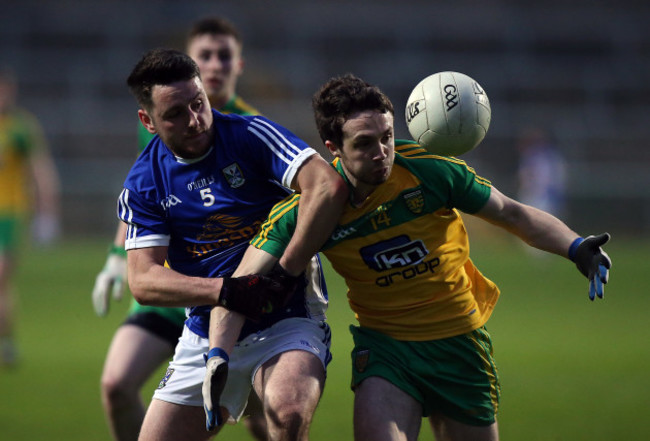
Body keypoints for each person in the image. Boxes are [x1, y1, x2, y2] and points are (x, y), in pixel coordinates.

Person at [207, 73, 612, 441]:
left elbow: (512, 213)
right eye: (364, 143)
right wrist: (217, 355)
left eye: (386, 136)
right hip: (387, 351)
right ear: (333, 148)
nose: (382, 151)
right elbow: (242, 282)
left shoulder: (430, 171)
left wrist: (576, 247)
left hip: (460, 343)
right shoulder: (311, 207)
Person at [120, 48, 347, 441]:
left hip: (286, 315)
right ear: (148, 120)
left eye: (198, 104)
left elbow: (325, 184)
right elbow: (143, 281)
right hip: (206, 331)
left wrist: (283, 271)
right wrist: (227, 291)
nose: (194, 121)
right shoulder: (143, 182)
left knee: (288, 413)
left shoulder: (249, 134)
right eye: (175, 114)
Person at [91, 17, 267, 441]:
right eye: (204, 55)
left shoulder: (251, 130)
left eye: (224, 55)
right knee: (115, 385)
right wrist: (118, 258)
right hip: (172, 292)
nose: (214, 63)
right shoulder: (160, 118)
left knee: (264, 416)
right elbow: (144, 196)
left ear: (238, 65)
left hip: (232, 297)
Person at [0, 68, 60, 366]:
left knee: (1, 277)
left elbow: (40, 170)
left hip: (8, 213)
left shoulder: (20, 128)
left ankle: (6, 343)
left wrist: (46, 213)